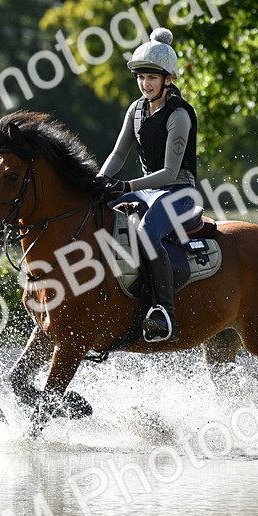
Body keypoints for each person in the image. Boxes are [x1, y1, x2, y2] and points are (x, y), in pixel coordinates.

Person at [97, 27, 198, 343]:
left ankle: (164, 311)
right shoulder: (136, 109)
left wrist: (125, 186)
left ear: (168, 78)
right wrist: (98, 182)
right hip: (145, 192)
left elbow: (169, 173)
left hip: (180, 193)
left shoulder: (179, 115)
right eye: (141, 77)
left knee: (144, 234)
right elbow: (118, 154)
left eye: (152, 77)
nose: (145, 83)